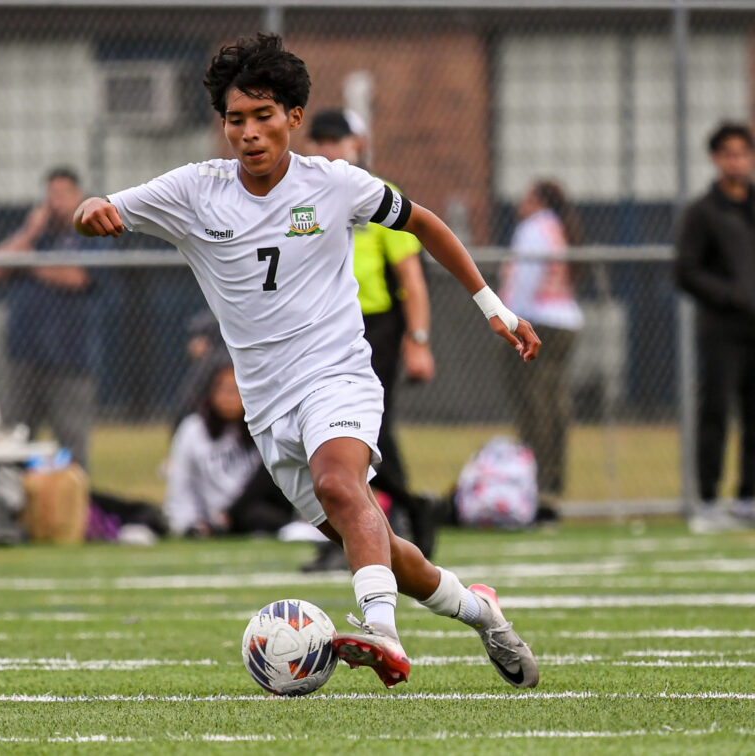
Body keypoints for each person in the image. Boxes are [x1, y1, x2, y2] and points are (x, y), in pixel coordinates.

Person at [74, 33, 541, 689]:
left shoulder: (335, 184)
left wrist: (492, 306)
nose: (250, 133)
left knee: (340, 485)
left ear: (293, 118)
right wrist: (92, 212)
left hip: (338, 375)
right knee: (380, 543)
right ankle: (482, 613)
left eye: (264, 116)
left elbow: (427, 223)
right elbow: (101, 209)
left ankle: (383, 634)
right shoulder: (192, 191)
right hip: (268, 411)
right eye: (236, 120)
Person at [306, 107, 438, 566]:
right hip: (319, 327)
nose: (327, 149)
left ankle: (385, 520)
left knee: (355, 429)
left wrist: (418, 339)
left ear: (356, 145)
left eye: (336, 140)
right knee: (324, 432)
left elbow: (411, 276)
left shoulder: (378, 196)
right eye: (319, 140)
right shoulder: (304, 195)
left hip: (373, 327)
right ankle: (403, 510)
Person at [0, 167, 106, 470]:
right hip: (23, 357)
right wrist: (30, 234)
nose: (57, 202)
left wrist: (27, 264)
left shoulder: (92, 231)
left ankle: (76, 510)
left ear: (79, 196)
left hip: (71, 359)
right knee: (14, 440)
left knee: (71, 444)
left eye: (64, 194)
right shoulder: (36, 235)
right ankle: (15, 508)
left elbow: (77, 276)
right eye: (52, 194)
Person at [676, 121, 755, 533]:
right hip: (721, 329)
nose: (736, 160)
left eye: (743, 152)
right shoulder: (703, 212)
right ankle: (707, 500)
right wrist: (733, 296)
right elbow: (686, 272)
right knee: (716, 411)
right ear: (716, 158)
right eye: (729, 153)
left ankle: (748, 498)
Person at [499, 179, 584, 521]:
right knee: (553, 402)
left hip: (537, 322)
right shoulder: (558, 226)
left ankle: (539, 486)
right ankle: (550, 484)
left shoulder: (534, 228)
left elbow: (525, 278)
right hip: (564, 319)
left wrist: (511, 321)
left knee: (535, 405)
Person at [165, 361, 293, 536]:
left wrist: (231, 513)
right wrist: (186, 522)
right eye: (224, 390)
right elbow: (183, 481)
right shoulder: (193, 429)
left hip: (254, 511)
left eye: (236, 391)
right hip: (213, 516)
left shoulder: (261, 426)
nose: (229, 398)